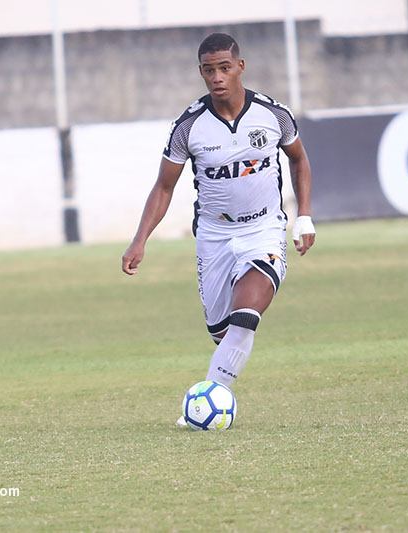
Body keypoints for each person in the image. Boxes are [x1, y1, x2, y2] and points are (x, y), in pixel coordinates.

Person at [121, 32, 316, 426]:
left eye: (224, 67)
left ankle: (202, 406)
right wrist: (139, 240)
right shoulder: (188, 128)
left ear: (240, 67)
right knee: (222, 333)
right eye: (209, 70)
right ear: (201, 72)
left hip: (264, 231)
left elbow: (298, 161)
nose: (217, 77)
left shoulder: (273, 115)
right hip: (214, 237)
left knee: (246, 315)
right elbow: (164, 186)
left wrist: (305, 216)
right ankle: (214, 391)